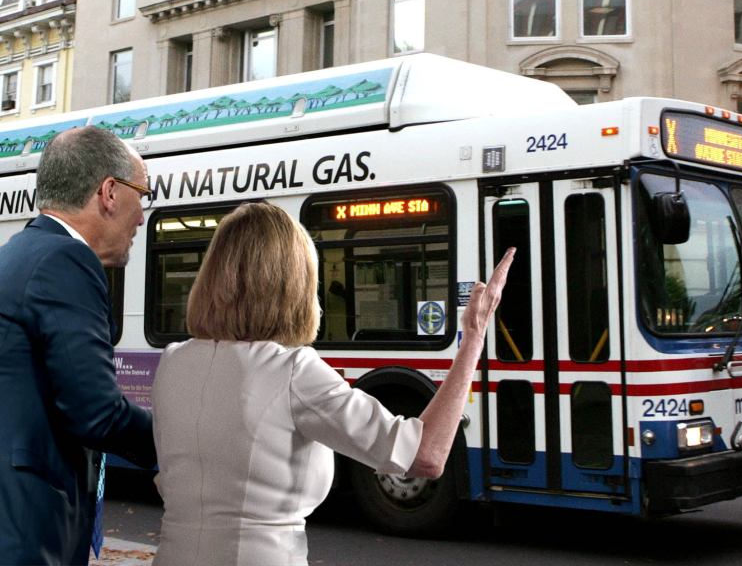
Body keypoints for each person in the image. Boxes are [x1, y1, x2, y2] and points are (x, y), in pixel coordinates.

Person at [151, 202, 513, 565]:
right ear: (292, 284)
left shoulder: (173, 361)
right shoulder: (292, 371)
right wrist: (474, 335)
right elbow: (425, 456)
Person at [0, 126, 158, 565]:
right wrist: (183, 441)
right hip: (28, 534)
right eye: (141, 194)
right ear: (109, 191)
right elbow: (96, 413)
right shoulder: (65, 261)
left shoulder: (21, 251)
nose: (142, 215)